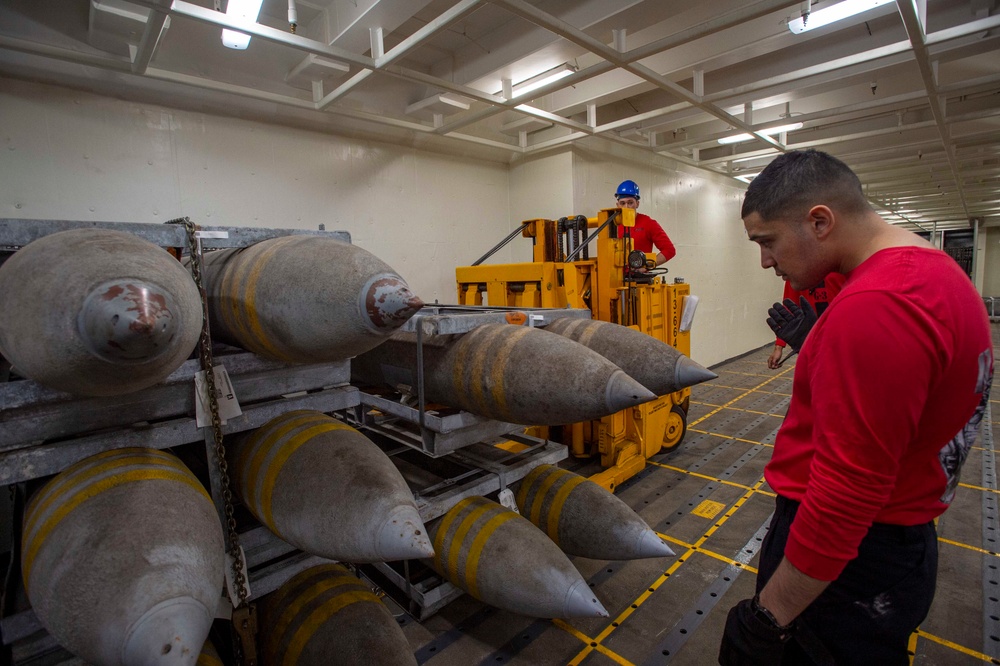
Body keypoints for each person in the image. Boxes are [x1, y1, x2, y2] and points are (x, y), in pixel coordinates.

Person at [720, 149, 993, 665]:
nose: (765, 261)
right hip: (894, 547)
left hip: (851, 562)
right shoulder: (936, 277)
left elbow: (847, 493)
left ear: (820, 221)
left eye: (768, 241)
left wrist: (768, 619)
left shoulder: (879, 305)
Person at [766, 273, 845, 369]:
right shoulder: (797, 271)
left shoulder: (841, 267)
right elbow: (789, 309)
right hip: (812, 341)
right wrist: (779, 346)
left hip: (843, 339)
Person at [613, 180, 676, 268]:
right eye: (622, 203)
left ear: (637, 204)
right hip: (615, 278)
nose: (626, 207)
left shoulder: (648, 223)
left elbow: (669, 250)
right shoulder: (612, 225)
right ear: (617, 205)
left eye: (630, 202)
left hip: (640, 279)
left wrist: (647, 266)